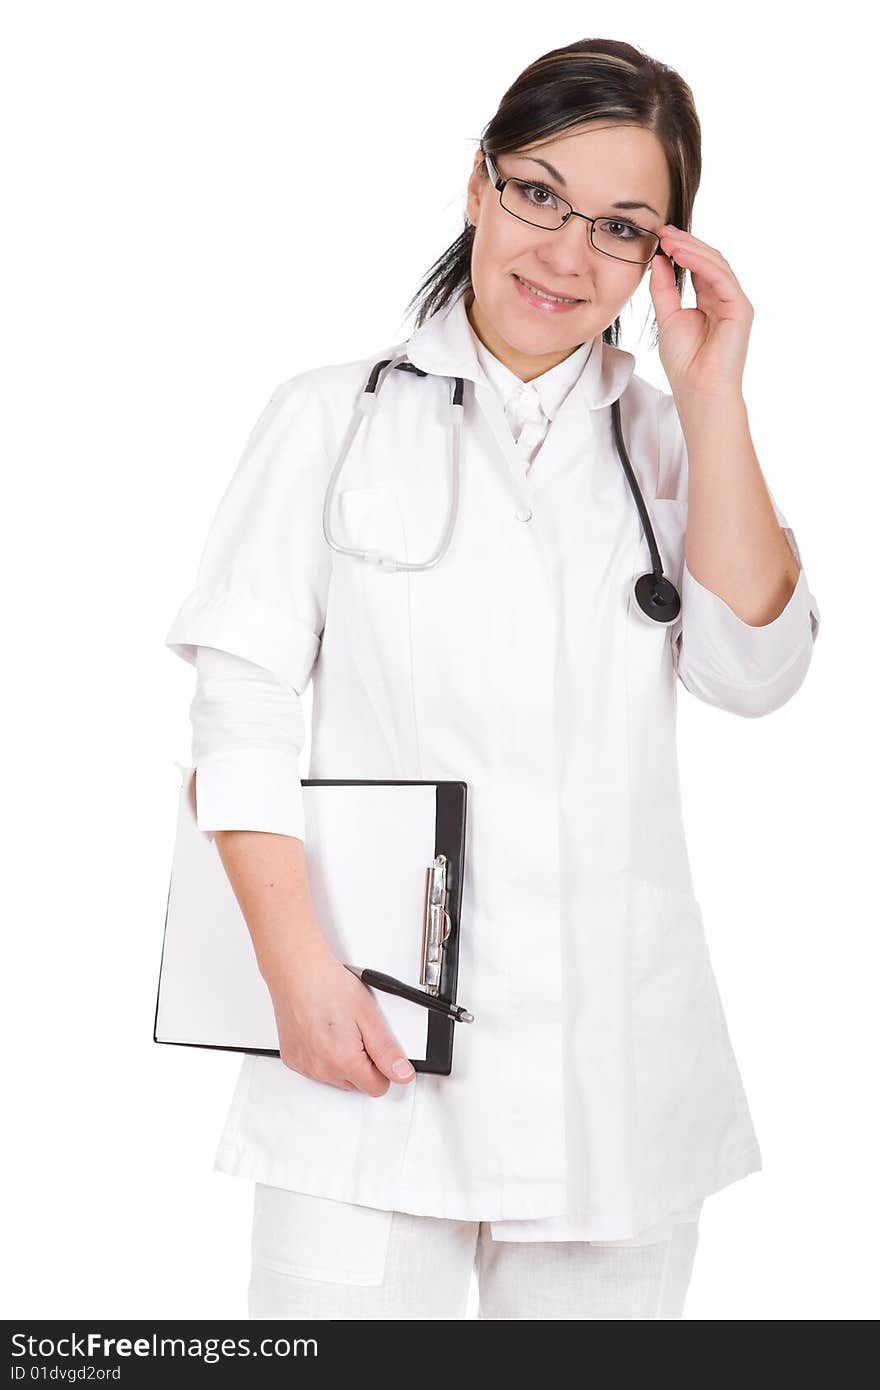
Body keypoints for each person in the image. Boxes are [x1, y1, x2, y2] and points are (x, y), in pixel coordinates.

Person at [164, 37, 820, 1320]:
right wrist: (298, 974)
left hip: (610, 1074)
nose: (566, 254)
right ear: (478, 186)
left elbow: (754, 673)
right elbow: (237, 713)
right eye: (538, 194)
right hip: (364, 1051)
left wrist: (713, 397)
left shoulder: (668, 439)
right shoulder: (328, 418)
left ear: (660, 256)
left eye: (621, 227)